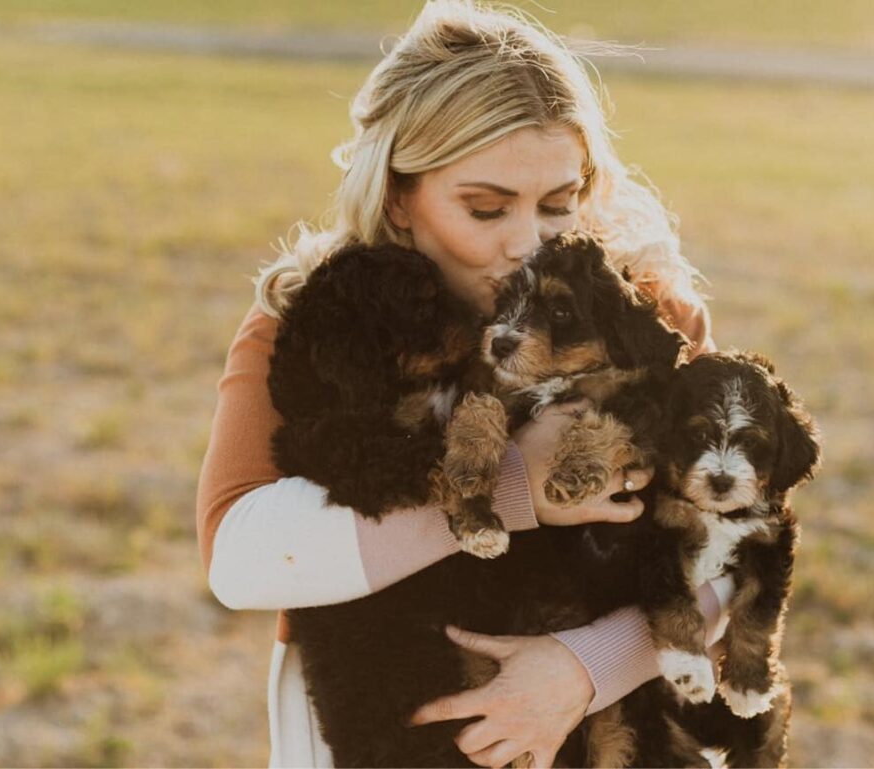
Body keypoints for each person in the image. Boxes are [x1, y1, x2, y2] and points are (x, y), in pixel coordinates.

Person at [196, 2, 733, 767]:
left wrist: (583, 670)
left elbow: (737, 553)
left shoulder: (646, 308)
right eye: (485, 208)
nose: (528, 244)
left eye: (558, 204)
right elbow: (240, 558)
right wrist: (516, 485)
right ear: (396, 198)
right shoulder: (316, 320)